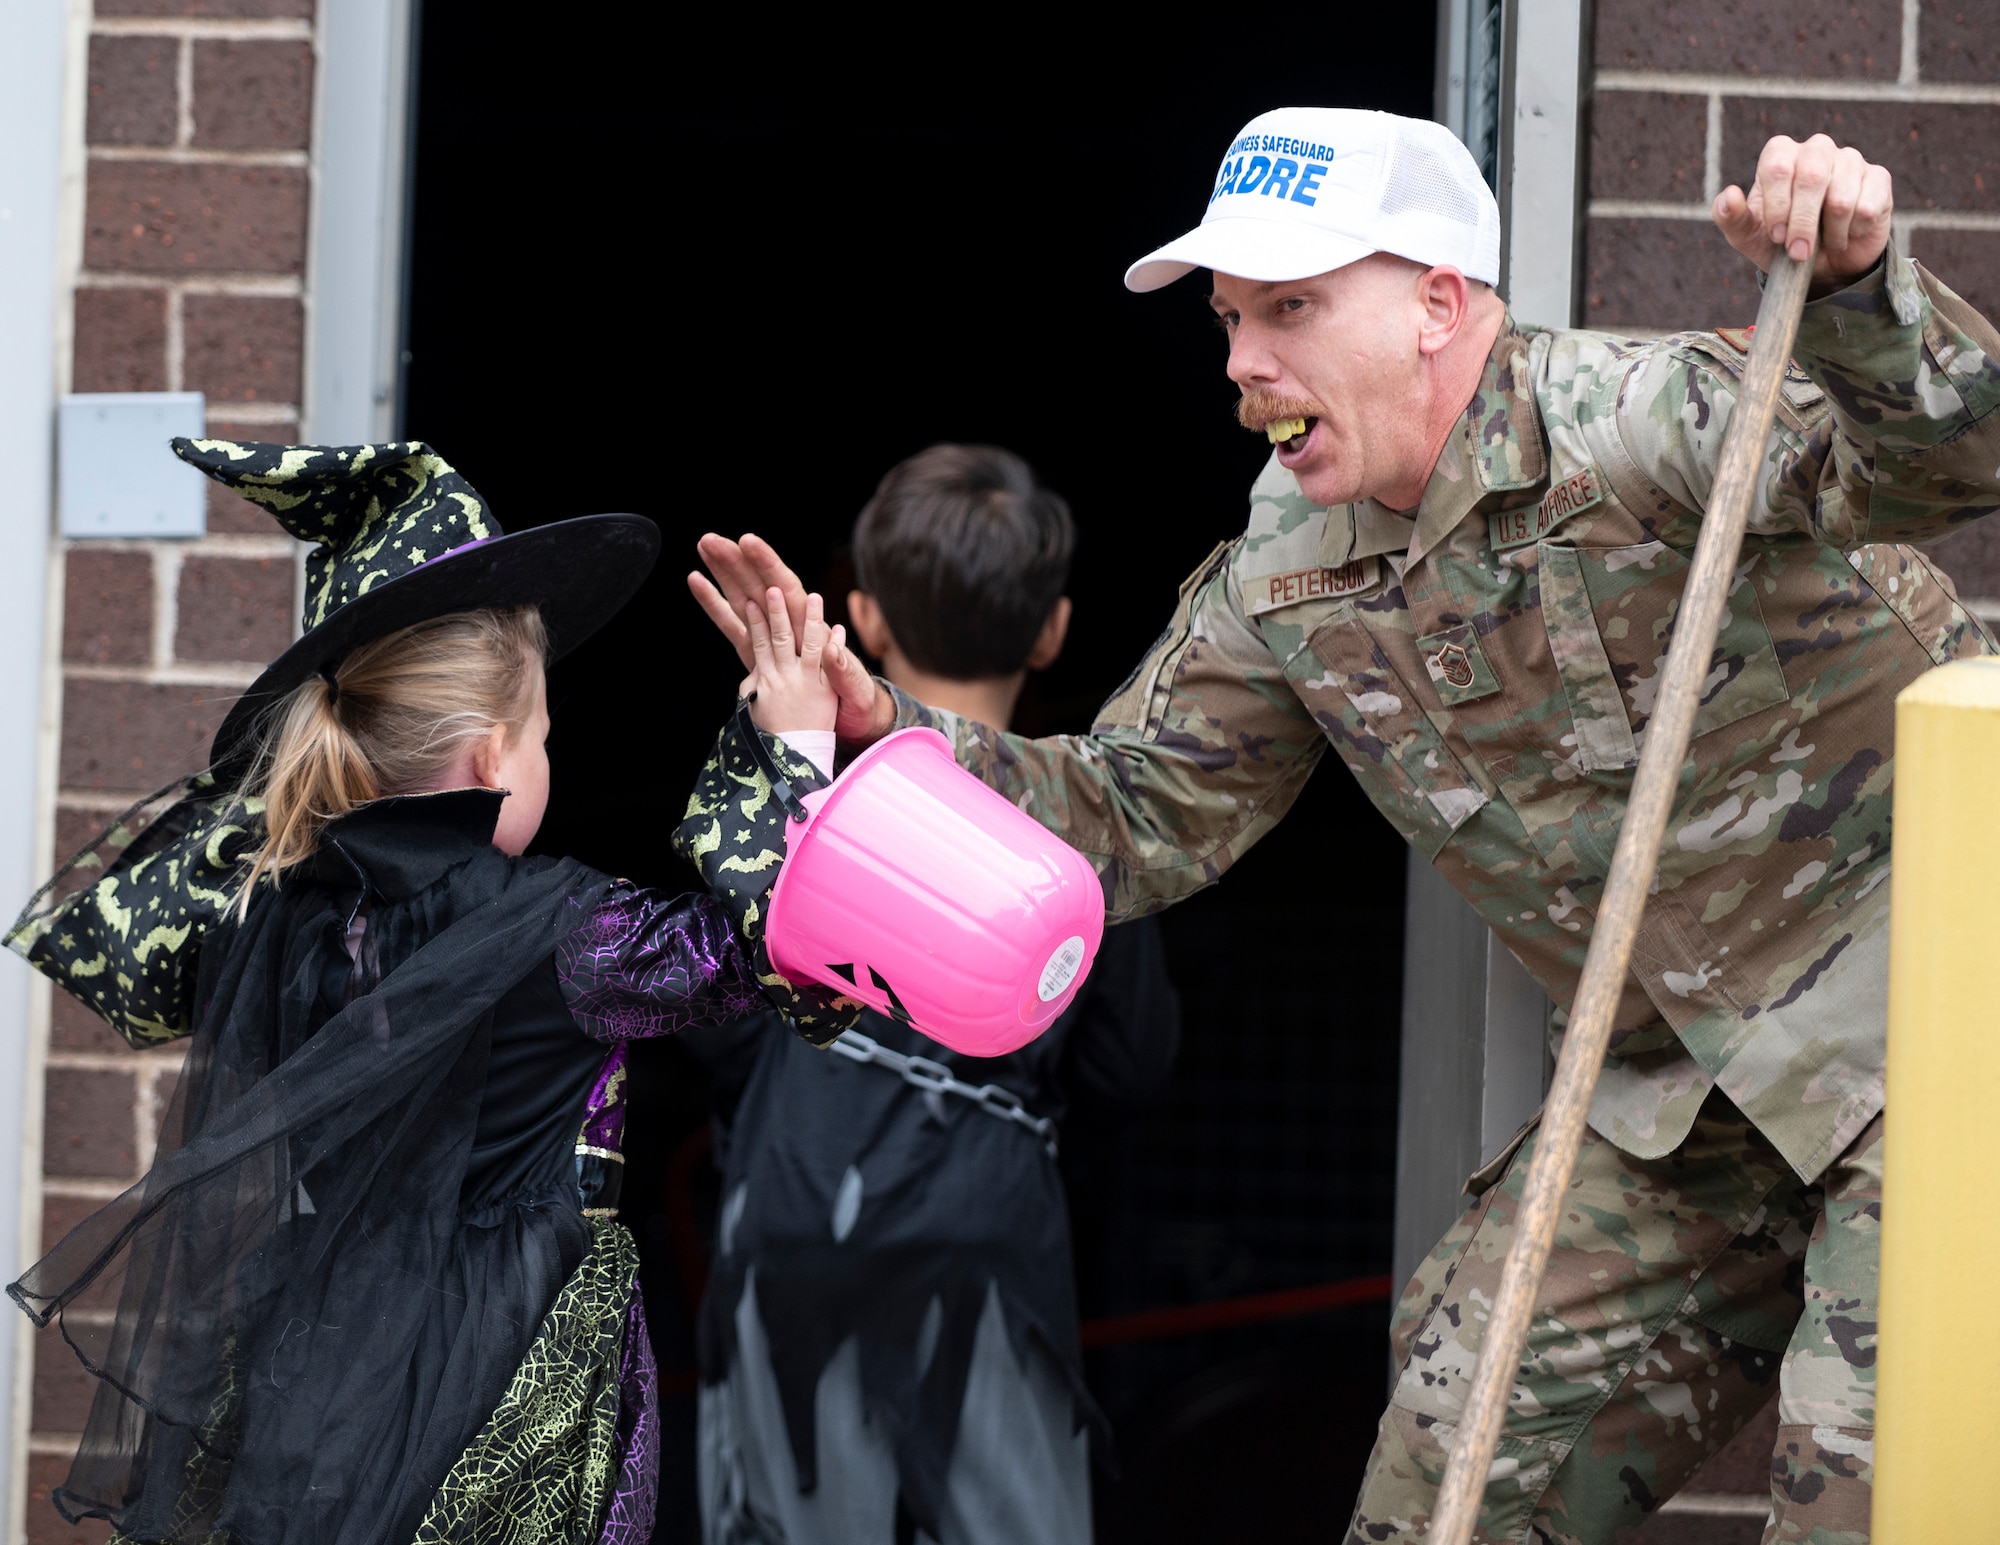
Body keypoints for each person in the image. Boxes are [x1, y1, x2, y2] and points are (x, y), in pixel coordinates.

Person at [687, 107, 2000, 1542]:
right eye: (1232, 317)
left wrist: (1865, 292)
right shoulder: (1287, 577)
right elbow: (1129, 813)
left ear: (1440, 302)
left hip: (1930, 1043)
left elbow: (1951, 468)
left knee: (1869, 1503)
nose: (1246, 361)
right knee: (1446, 1472)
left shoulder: (1635, 422)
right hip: (1679, 1105)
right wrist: (890, 733)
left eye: (1293, 307)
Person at [5, 439, 851, 1545]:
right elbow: (774, 947)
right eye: (546, 736)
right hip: (499, 1382)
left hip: (310, 1367)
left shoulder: (277, 912)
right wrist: (796, 748)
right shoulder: (566, 929)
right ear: (497, 755)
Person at [680, 445, 1182, 1545]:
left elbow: (710, 1022)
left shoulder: (809, 780)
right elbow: (1127, 1068)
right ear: (1050, 630)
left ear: (864, 613)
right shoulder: (1076, 822)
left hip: (793, 1212)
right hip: (985, 1236)